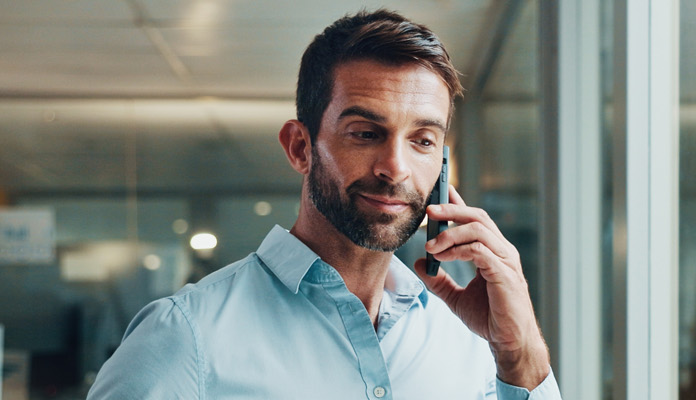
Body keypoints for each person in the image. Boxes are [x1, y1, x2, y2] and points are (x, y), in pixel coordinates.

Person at [89, 9, 560, 399]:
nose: (395, 168)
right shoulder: (182, 337)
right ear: (300, 147)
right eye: (366, 133)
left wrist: (520, 355)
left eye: (422, 140)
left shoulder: (468, 338)